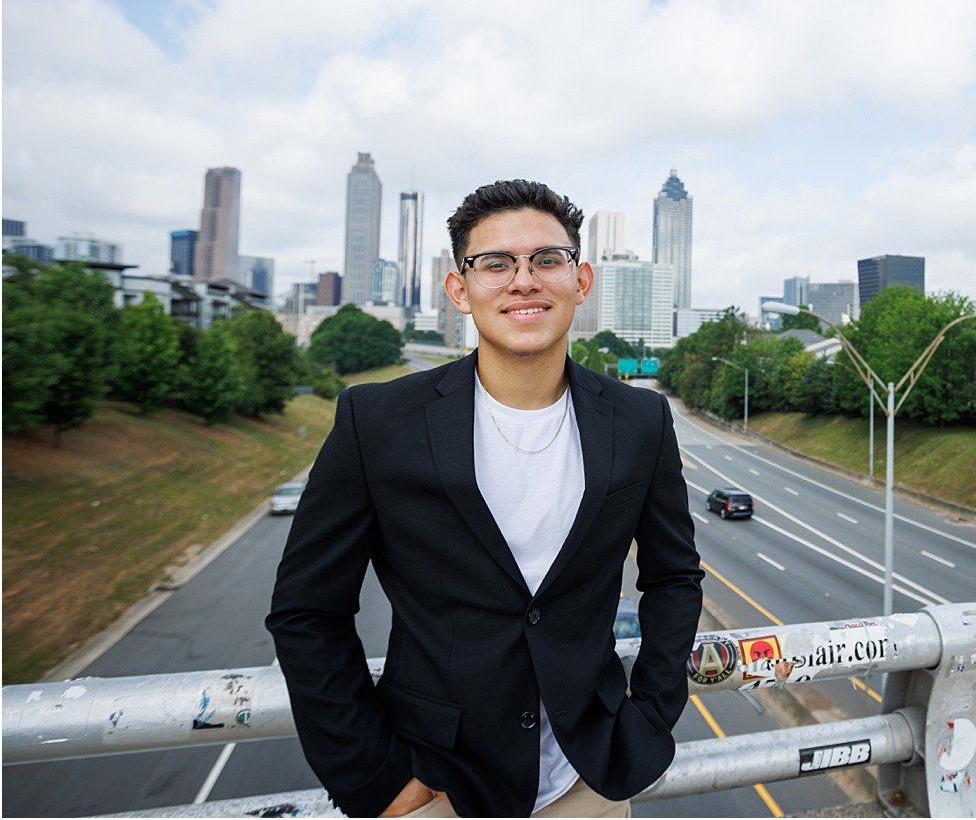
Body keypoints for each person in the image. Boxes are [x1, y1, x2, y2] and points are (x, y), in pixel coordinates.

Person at [267, 179, 703, 818]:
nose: (523, 280)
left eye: (546, 260)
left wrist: (648, 718)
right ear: (459, 290)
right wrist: (374, 777)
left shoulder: (641, 422)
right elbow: (306, 611)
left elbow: (674, 578)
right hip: (435, 786)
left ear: (581, 281)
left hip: (585, 783)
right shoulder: (378, 422)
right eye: (495, 263)